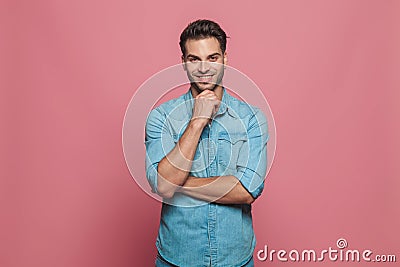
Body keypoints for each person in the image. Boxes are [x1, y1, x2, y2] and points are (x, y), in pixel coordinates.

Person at [145, 19, 269, 267]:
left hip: (235, 259)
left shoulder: (252, 118)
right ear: (183, 63)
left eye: (212, 58)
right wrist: (197, 121)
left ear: (225, 59)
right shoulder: (161, 117)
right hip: (177, 258)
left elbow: (246, 191)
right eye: (194, 59)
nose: (203, 68)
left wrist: (178, 183)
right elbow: (164, 186)